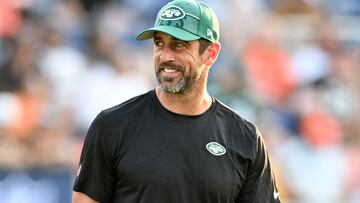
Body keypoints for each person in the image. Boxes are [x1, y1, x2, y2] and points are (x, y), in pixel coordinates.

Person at [72, 0, 281, 202]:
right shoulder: (112, 125)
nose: (165, 56)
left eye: (178, 46)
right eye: (159, 44)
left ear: (211, 54)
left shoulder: (245, 138)